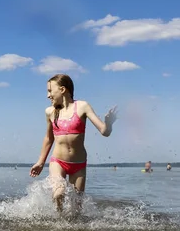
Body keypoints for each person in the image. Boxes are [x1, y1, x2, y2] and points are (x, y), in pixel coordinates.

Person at [30, 74, 117, 212]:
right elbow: (48, 138)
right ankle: (59, 221)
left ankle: (72, 230)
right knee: (59, 193)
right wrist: (41, 162)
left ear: (62, 89)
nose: (48, 95)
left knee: (76, 208)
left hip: (79, 164)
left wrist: (108, 123)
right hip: (58, 162)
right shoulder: (50, 112)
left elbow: (104, 132)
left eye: (50, 91)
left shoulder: (82, 106)